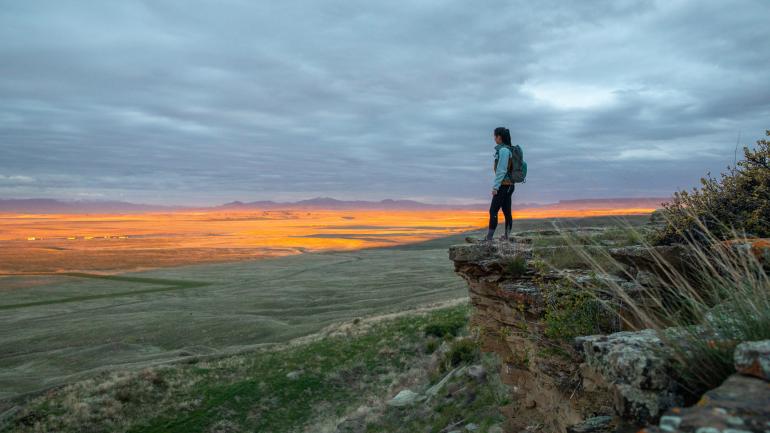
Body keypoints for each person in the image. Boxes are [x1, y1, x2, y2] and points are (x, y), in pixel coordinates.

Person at [485, 127, 515, 241]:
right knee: (507, 212)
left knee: (493, 210)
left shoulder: (503, 150)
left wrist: (495, 187)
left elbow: (501, 170)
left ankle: (489, 239)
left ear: (499, 137)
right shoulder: (507, 149)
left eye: (495, 136)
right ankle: (507, 237)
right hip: (509, 185)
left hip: (504, 185)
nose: (494, 138)